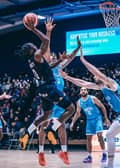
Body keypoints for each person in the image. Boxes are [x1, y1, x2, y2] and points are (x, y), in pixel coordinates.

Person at [18, 19, 75, 157]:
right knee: (71, 109)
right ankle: (52, 128)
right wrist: (34, 29)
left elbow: (49, 68)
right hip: (49, 87)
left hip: (42, 90)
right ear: (31, 49)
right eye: (31, 45)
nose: (33, 44)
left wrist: (60, 60)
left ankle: (27, 132)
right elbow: (46, 42)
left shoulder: (32, 61)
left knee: (46, 114)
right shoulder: (37, 55)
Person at [37, 18, 81, 166]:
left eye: (56, 57)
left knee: (61, 126)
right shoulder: (45, 69)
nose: (54, 58)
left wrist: (77, 48)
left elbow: (70, 58)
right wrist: (48, 31)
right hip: (49, 97)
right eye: (52, 57)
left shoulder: (59, 68)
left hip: (59, 100)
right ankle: (41, 152)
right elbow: (46, 47)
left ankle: (64, 152)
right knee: (43, 125)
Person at [70, 87, 110, 163]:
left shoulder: (93, 98)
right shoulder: (79, 102)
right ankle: (89, 156)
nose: (83, 91)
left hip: (97, 118)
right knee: (88, 138)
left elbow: (102, 107)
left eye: (85, 90)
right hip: (89, 120)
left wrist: (106, 118)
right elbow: (77, 113)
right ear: (80, 92)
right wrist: (72, 123)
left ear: (87, 91)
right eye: (81, 90)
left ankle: (104, 154)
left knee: (99, 135)